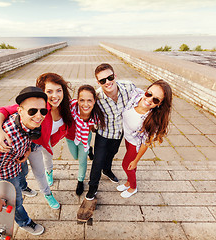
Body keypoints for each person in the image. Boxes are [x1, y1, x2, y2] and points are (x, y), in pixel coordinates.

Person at [0, 73, 74, 209]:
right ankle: (46, 193)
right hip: (30, 144)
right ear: (42, 93)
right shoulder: (38, 107)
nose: (55, 96)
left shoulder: (65, 107)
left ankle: (50, 173)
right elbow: (1, 110)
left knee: (48, 158)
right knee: (33, 171)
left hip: (46, 142)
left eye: (59, 90)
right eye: (49, 91)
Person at [0, 86, 47, 236]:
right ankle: (24, 222)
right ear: (19, 111)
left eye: (42, 111)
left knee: (24, 173)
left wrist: (28, 150)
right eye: (32, 111)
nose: (39, 116)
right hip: (7, 171)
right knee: (17, 201)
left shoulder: (30, 122)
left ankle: (23, 186)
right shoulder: (3, 141)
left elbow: (29, 136)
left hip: (19, 160)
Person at [85, 63, 137, 200]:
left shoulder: (129, 87)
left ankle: (107, 170)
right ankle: (93, 187)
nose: (108, 82)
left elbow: (143, 100)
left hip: (120, 132)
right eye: (103, 80)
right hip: (104, 133)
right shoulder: (97, 97)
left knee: (112, 153)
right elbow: (84, 107)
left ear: (115, 76)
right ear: (98, 82)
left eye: (110, 77)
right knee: (98, 160)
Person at [117, 80, 172, 198]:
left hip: (135, 144)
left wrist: (136, 160)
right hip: (127, 138)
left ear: (159, 104)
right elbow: (121, 86)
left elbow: (145, 144)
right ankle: (128, 182)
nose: (149, 99)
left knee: (127, 165)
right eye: (149, 94)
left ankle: (133, 187)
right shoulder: (136, 96)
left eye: (156, 100)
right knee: (130, 166)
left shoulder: (151, 122)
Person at [65, 85, 105, 196]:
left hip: (84, 139)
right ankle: (89, 150)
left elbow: (92, 126)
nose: (85, 104)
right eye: (82, 100)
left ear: (94, 101)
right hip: (70, 138)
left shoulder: (96, 114)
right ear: (77, 100)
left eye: (89, 100)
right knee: (75, 157)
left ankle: (80, 181)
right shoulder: (71, 109)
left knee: (82, 161)